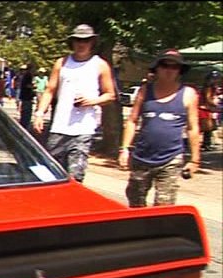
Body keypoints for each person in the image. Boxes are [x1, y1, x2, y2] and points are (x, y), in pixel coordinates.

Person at [32, 24, 116, 183]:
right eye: (77, 40)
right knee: (51, 174)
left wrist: (92, 101)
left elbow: (110, 95)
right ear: (72, 42)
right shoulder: (62, 62)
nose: (81, 44)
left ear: (92, 42)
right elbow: (50, 90)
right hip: (59, 127)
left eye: (85, 40)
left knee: (75, 176)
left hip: (83, 129)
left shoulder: (100, 64)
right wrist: (39, 113)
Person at [118, 49, 201, 207]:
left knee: (164, 205)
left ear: (180, 71)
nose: (169, 70)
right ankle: (140, 228)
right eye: (164, 65)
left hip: (171, 158)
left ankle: (159, 230)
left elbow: (193, 128)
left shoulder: (188, 94)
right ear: (157, 68)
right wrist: (125, 149)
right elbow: (132, 120)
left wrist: (194, 160)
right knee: (135, 198)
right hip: (142, 156)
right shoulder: (145, 91)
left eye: (174, 67)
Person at [199, 70, 221, 151]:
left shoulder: (213, 87)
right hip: (204, 108)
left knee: (210, 127)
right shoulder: (208, 87)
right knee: (206, 127)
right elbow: (208, 98)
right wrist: (215, 105)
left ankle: (207, 143)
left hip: (208, 108)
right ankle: (206, 144)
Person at [17, 64, 34, 131]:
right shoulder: (28, 75)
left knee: (25, 112)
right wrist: (33, 87)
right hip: (27, 96)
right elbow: (27, 85)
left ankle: (24, 124)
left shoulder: (25, 76)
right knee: (26, 112)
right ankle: (24, 126)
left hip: (25, 96)